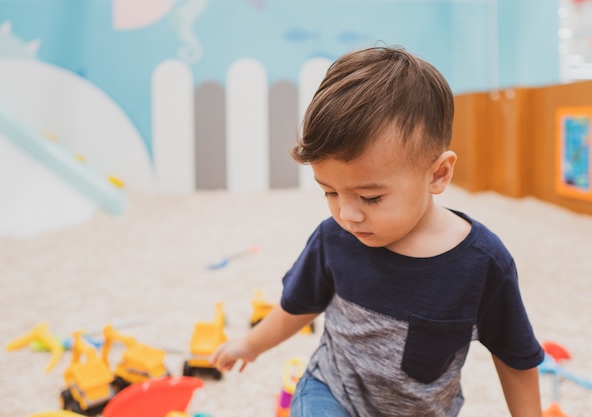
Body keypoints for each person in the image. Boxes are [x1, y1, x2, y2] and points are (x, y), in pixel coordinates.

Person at [210, 45, 544, 417]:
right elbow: (299, 304)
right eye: (330, 192)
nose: (347, 215)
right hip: (331, 393)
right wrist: (251, 345)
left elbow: (514, 354)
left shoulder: (482, 264)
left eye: (370, 198)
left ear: (438, 174)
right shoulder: (333, 239)